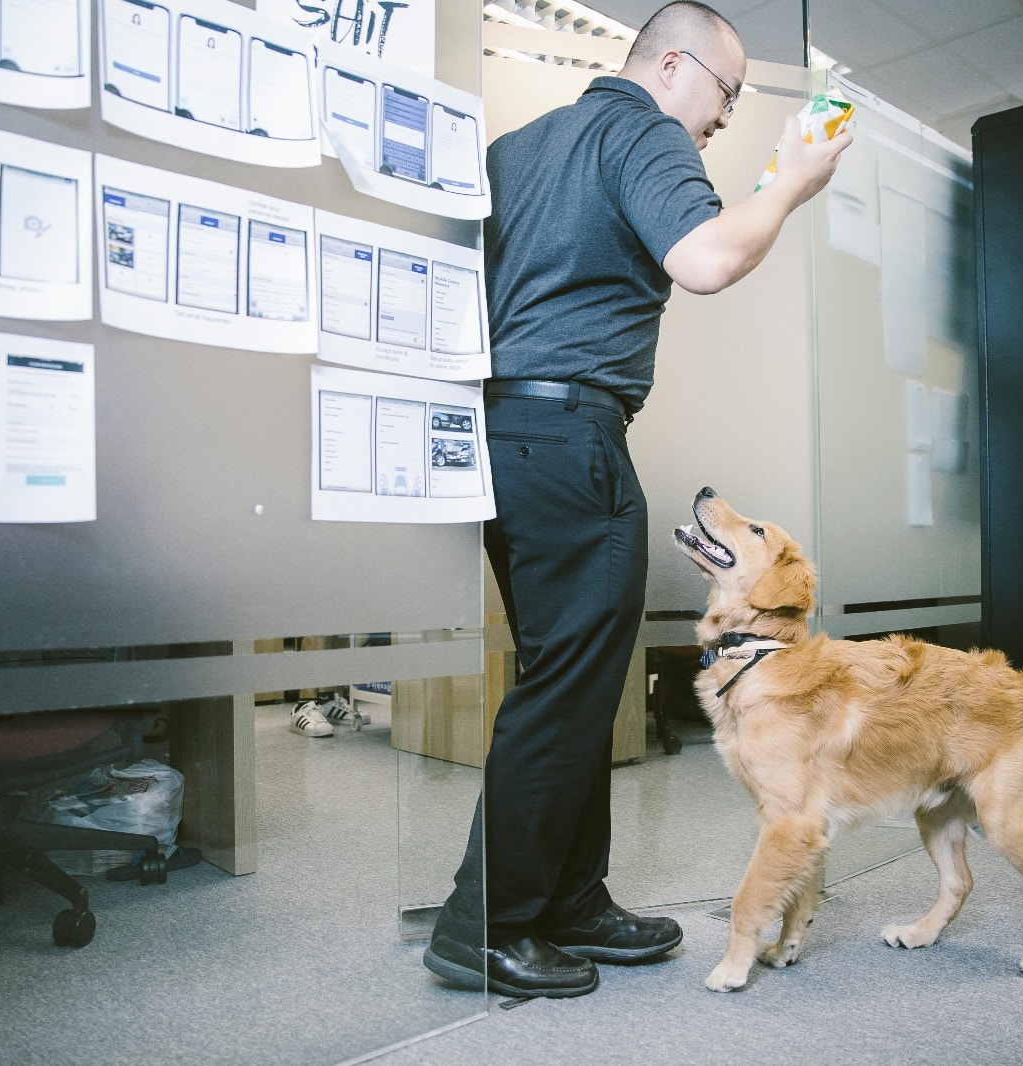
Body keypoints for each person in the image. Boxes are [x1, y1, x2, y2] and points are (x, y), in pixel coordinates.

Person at [422, 0, 853, 999]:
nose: (724, 116)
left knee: (567, 675)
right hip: (571, 439)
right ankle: (483, 921)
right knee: (563, 686)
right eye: (726, 92)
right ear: (670, 65)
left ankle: (570, 899)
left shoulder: (519, 146)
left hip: (502, 438)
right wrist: (789, 182)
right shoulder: (642, 129)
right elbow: (703, 259)